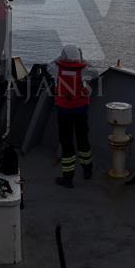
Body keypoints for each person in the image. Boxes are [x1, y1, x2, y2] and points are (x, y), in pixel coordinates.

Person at [53, 45, 93, 188]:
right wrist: (82, 59)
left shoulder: (56, 68)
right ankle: (88, 170)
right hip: (81, 110)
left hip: (64, 111)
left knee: (67, 143)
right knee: (83, 139)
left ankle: (68, 178)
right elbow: (95, 73)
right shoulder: (84, 69)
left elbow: (48, 68)